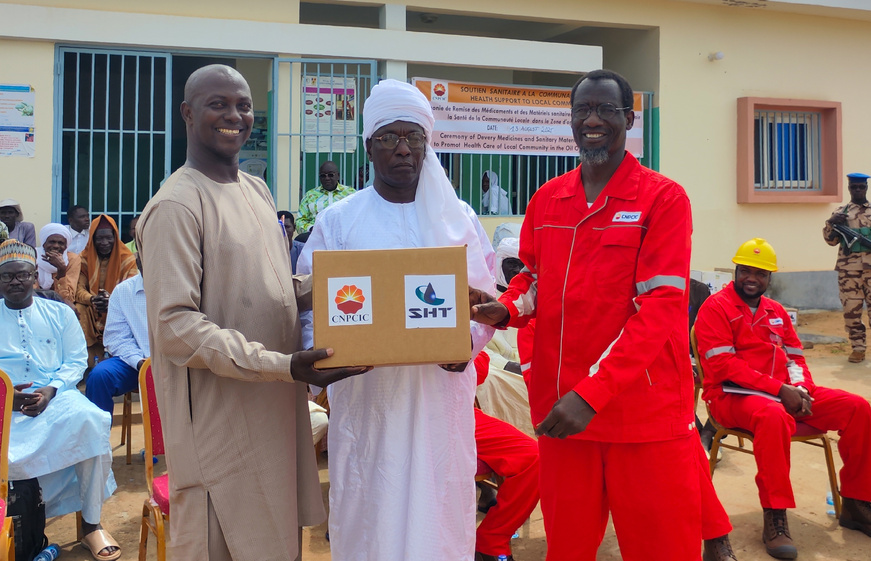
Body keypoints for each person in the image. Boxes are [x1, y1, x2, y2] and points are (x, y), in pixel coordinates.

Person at [469, 69, 734, 561]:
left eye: (606, 110)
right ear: (571, 119)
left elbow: (659, 310)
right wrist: (505, 308)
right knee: (568, 549)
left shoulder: (663, 199)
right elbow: (534, 278)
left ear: (629, 119)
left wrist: (590, 395)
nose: (592, 120)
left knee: (660, 550)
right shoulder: (548, 199)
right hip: (564, 419)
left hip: (643, 419)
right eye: (583, 110)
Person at [136, 64, 367, 561]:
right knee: (227, 540)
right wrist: (282, 365)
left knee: (277, 538)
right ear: (187, 113)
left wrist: (357, 280)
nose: (234, 116)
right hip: (220, 423)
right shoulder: (176, 206)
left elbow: (273, 289)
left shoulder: (256, 189)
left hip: (275, 410)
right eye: (218, 104)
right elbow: (176, 327)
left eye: (243, 106)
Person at [297, 78, 497, 561]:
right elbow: (310, 305)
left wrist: (466, 345)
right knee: (371, 508)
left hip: (440, 399)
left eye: (414, 137)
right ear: (369, 146)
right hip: (366, 400)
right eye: (389, 137)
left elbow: (487, 301)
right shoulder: (339, 221)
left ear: (428, 144)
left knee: (439, 510)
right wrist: (325, 356)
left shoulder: (458, 219)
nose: (403, 149)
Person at [695, 238, 871, 559]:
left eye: (760, 273)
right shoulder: (715, 308)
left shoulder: (776, 311)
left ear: (770, 277)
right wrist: (779, 391)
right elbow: (723, 365)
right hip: (731, 396)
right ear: (736, 271)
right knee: (773, 416)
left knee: (857, 408)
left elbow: (795, 357)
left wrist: (801, 390)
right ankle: (775, 516)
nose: (752, 278)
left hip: (782, 393)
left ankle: (857, 503)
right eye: (746, 271)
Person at [0, 239, 120, 561]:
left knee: (91, 420)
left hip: (55, 399)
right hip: (4, 406)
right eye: (7, 276)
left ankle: (91, 525)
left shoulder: (60, 313)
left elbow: (77, 360)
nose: (15, 281)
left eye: (22, 275)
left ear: (34, 276)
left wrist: (52, 389)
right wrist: (7, 397)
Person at [473, 352, 539, 561]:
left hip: (457, 414)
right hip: (398, 417)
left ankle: (491, 540)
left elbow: (480, 368)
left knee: (534, 458)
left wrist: (461, 356)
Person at [85, 254, 147, 417]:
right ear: (137, 261)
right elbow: (117, 337)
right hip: (136, 363)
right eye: (143, 257)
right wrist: (139, 362)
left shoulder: (180, 286)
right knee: (100, 376)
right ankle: (99, 433)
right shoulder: (123, 291)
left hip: (177, 362)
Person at [823, 172, 871, 363]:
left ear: (866, 188)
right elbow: (830, 241)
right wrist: (831, 224)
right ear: (849, 188)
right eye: (854, 187)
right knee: (852, 312)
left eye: (861, 187)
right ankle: (858, 348)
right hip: (848, 272)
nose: (858, 190)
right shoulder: (840, 213)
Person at [75, 214, 138, 361]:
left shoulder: (127, 259)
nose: (104, 242)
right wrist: (93, 299)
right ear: (92, 239)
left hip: (118, 306)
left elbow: (131, 290)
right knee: (79, 308)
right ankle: (85, 360)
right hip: (92, 306)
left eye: (109, 238)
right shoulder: (84, 258)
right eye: (99, 238)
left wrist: (112, 300)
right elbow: (78, 289)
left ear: (115, 237)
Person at [295, 160, 356, 234]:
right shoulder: (310, 195)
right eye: (323, 175)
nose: (327, 178)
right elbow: (299, 221)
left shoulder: (350, 194)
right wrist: (311, 229)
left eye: (330, 175)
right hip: (317, 237)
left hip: (344, 235)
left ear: (338, 176)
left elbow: (359, 216)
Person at [35, 223, 82, 308]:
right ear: (43, 244)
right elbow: (32, 292)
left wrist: (61, 270)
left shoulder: (72, 259)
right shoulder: (34, 256)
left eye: (61, 243)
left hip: (60, 306)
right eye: (52, 242)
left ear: (66, 246)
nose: (56, 246)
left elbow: (68, 298)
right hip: (37, 305)